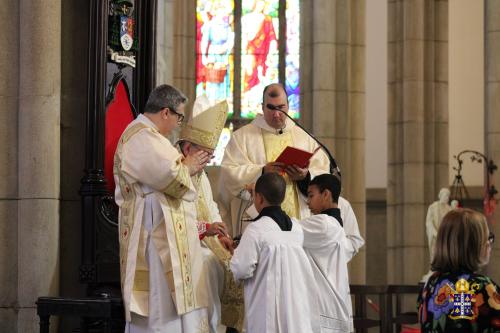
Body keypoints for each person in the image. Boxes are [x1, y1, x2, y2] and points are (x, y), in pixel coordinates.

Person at [220, 82, 364, 260]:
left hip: (300, 227)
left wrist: (305, 176)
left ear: (288, 105)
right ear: (262, 107)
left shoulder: (304, 137)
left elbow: (323, 174)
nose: (277, 113)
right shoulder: (242, 138)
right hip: (261, 229)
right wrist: (262, 171)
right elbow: (229, 173)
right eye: (271, 108)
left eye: (281, 107)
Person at [114, 84, 212, 332]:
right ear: (166, 112)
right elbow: (168, 174)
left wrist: (189, 168)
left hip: (161, 226)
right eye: (179, 116)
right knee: (158, 302)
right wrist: (188, 166)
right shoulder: (140, 136)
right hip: (151, 231)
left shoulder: (154, 138)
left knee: (169, 301)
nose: (179, 123)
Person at [177, 95, 244, 333]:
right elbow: (175, 223)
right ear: (188, 148)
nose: (209, 160)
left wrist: (220, 234)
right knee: (206, 264)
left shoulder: (201, 175)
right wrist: (206, 229)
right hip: (184, 249)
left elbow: (211, 207)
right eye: (206, 154)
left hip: (205, 245)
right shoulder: (175, 176)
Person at [230, 173, 320, 333]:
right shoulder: (296, 228)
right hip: (295, 310)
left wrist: (234, 253)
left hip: (266, 312)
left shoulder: (255, 230)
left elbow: (241, 269)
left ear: (258, 198)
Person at [417, 208, 500, 332]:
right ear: (474, 245)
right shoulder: (482, 286)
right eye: (488, 237)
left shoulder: (430, 284)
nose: (489, 243)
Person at [301, 174, 353, 332]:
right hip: (334, 307)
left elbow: (285, 229)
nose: (308, 202)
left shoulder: (323, 223)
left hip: (324, 310)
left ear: (326, 194)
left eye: (311, 195)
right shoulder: (336, 226)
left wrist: (261, 206)